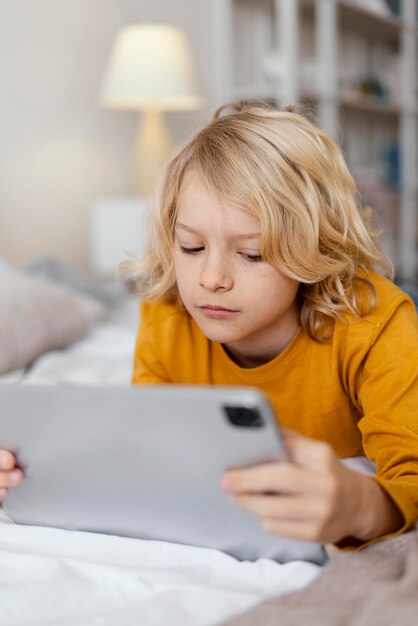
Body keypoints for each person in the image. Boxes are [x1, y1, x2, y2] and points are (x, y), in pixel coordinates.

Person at [123, 101, 418, 549]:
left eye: (253, 254)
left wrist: (361, 504)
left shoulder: (376, 324)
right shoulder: (165, 316)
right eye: (191, 247)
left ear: (314, 248)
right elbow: (145, 448)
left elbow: (411, 473)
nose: (211, 280)